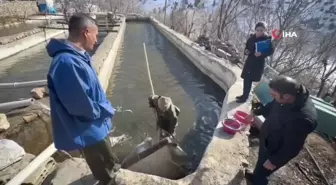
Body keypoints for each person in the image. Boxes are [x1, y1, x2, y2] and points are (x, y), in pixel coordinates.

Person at [46, 14, 118, 185]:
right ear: (86, 32)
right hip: (88, 129)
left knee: (109, 162)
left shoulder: (77, 56)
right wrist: (106, 109)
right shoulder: (67, 62)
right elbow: (80, 107)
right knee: (105, 171)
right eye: (96, 34)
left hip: (95, 125)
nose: (97, 39)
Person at [246, 76, 317, 185]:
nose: (272, 97)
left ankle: (258, 180)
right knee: (261, 162)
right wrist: (257, 111)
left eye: (274, 95)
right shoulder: (286, 94)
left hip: (276, 148)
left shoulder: (303, 119)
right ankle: (255, 176)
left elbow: (293, 146)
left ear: (287, 97)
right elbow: (272, 106)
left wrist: (274, 160)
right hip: (268, 137)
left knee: (263, 172)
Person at [236, 22, 274, 103]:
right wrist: (246, 51)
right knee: (246, 79)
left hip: (258, 63)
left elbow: (271, 51)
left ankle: (245, 98)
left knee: (249, 80)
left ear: (264, 30)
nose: (259, 32)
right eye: (258, 30)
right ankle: (244, 95)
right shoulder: (251, 38)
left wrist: (261, 54)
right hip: (250, 61)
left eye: (261, 30)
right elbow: (247, 47)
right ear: (255, 30)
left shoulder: (267, 40)